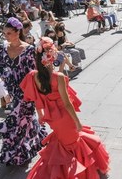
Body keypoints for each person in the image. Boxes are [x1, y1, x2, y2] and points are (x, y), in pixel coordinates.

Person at [20, 37, 109, 178]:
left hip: (52, 119)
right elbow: (67, 104)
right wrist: (77, 122)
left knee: (65, 143)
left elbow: (36, 99)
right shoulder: (58, 77)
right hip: (64, 117)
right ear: (52, 56)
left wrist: (41, 115)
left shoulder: (33, 76)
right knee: (74, 143)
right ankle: (76, 174)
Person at [0, 17, 47, 165]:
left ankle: (15, 154)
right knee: (25, 121)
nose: (5, 36)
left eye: (9, 33)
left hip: (26, 92)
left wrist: (38, 95)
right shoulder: (2, 48)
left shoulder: (29, 50)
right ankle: (36, 141)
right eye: (4, 33)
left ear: (18, 32)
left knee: (14, 123)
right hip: (11, 91)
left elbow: (34, 73)